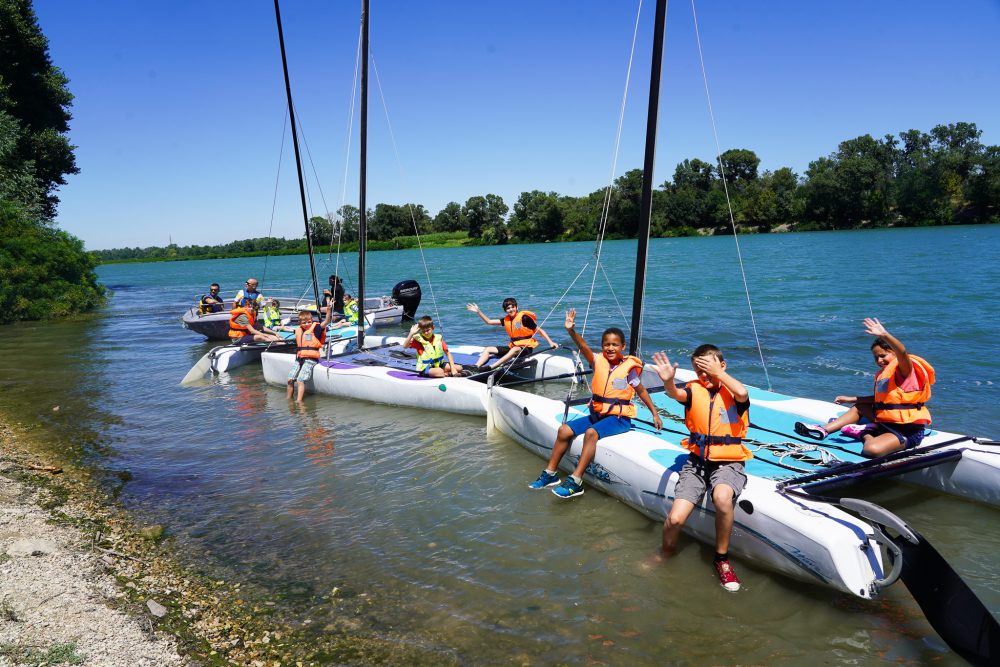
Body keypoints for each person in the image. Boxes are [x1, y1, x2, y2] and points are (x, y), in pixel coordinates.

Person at [527, 308, 661, 499]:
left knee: (591, 433)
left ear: (623, 346)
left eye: (615, 344)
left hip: (619, 418)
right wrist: (571, 331)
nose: (610, 348)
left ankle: (576, 481)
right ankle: (550, 474)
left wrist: (654, 413)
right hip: (597, 414)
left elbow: (641, 391)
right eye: (606, 344)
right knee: (564, 430)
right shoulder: (598, 361)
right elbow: (584, 347)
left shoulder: (629, 369)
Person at [650, 345, 752, 592]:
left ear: (722, 366)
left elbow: (742, 391)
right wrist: (668, 383)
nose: (704, 375)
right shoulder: (694, 391)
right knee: (674, 519)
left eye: (709, 368)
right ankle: (666, 553)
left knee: (722, 497)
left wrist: (719, 374)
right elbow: (676, 394)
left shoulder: (734, 392)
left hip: (728, 462)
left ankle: (722, 559)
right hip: (697, 463)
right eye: (699, 370)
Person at [794, 317, 935, 457]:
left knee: (871, 450)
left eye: (883, 355)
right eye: (876, 358)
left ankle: (865, 432)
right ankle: (823, 430)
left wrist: (884, 335)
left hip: (908, 430)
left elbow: (902, 353)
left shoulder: (905, 370)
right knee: (860, 406)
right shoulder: (886, 374)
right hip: (885, 422)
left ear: (894, 353)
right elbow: (884, 401)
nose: (879, 361)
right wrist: (851, 399)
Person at [466, 298, 557, 370]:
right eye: (508, 308)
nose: (511, 309)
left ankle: (492, 367)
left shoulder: (524, 318)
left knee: (515, 349)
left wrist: (551, 342)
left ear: (516, 307)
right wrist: (478, 311)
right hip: (513, 347)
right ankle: (476, 366)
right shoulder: (506, 320)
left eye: (512, 307)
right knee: (488, 349)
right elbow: (489, 321)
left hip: (526, 349)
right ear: (505, 310)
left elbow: (540, 331)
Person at [287, 306, 335, 402]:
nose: (307, 324)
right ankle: (288, 399)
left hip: (310, 359)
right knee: (290, 380)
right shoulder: (299, 330)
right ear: (299, 323)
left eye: (309, 322)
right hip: (300, 358)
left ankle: (299, 401)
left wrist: (329, 312)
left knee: (300, 380)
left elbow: (326, 322)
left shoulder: (316, 328)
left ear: (312, 320)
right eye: (304, 323)